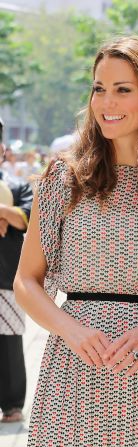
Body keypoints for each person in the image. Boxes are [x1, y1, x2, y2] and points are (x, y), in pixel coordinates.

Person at [14, 36, 138, 447]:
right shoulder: (63, 179)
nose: (107, 102)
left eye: (123, 90)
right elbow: (25, 282)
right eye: (99, 89)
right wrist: (71, 331)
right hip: (71, 364)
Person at [0, 117, 33, 423]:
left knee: (9, 341)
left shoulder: (17, 186)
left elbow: (27, 218)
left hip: (5, 274)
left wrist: (4, 212)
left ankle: (12, 405)